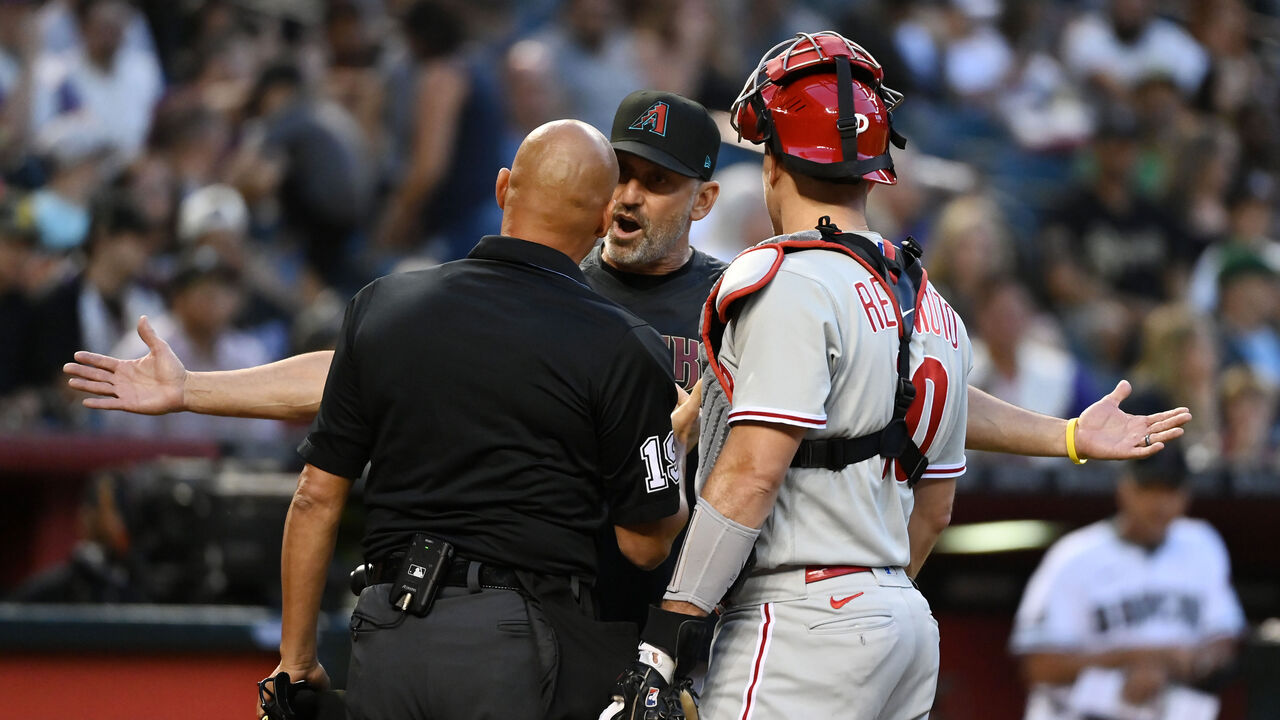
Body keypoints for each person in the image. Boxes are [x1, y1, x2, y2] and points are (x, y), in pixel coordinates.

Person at [260, 120, 689, 720]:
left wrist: (295, 658)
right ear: (599, 224)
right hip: (514, 637)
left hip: (386, 626)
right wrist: (677, 448)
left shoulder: (382, 305)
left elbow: (313, 498)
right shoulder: (622, 343)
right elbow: (644, 545)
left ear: (502, 188)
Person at [604, 31, 971, 719]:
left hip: (800, 619)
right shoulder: (934, 306)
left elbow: (750, 475)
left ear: (772, 162)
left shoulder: (786, 278)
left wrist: (665, 636)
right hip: (905, 621)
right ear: (873, 169)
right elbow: (936, 511)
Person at [1010, 451, 1244, 719]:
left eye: (1170, 490)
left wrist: (1197, 662)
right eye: (1148, 489)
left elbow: (1224, 635)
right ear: (1125, 487)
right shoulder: (1074, 557)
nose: (1160, 504)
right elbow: (1039, 666)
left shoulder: (1203, 545)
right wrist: (1133, 658)